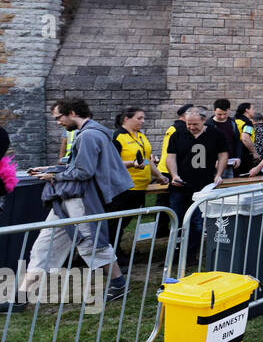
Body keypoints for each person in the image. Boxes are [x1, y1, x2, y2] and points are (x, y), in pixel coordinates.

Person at [21, 98, 131, 306]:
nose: (58, 123)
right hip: (68, 199)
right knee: (45, 245)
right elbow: (79, 167)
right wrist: (51, 170)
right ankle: (19, 297)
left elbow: (84, 172)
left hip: (80, 199)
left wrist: (53, 176)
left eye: (58, 118)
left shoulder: (89, 135)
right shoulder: (90, 133)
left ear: (71, 112)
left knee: (92, 244)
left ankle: (118, 285)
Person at [166, 107, 228, 267]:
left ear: (203, 120)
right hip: (180, 185)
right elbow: (170, 157)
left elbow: (223, 155)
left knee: (198, 224)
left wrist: (218, 174)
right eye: (188, 124)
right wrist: (174, 175)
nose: (191, 127)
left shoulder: (216, 134)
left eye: (195, 124)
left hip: (203, 186)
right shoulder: (177, 134)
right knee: (177, 221)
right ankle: (175, 253)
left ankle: (191, 254)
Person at [108, 107, 166, 247]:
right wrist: (132, 164)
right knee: (116, 223)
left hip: (140, 187)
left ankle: (117, 251)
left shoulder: (140, 135)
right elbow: (110, 163)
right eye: (139, 118)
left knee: (126, 221)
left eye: (143, 118)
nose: (143, 121)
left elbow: (146, 160)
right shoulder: (117, 137)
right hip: (123, 188)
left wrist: (159, 175)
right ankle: (113, 253)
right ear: (126, 119)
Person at [207, 99, 243, 176]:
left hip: (231, 163)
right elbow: (206, 146)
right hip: (214, 165)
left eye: (225, 114)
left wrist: (238, 157)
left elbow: (237, 141)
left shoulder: (233, 123)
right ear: (214, 111)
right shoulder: (208, 125)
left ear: (229, 110)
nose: (222, 117)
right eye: (219, 114)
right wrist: (213, 161)